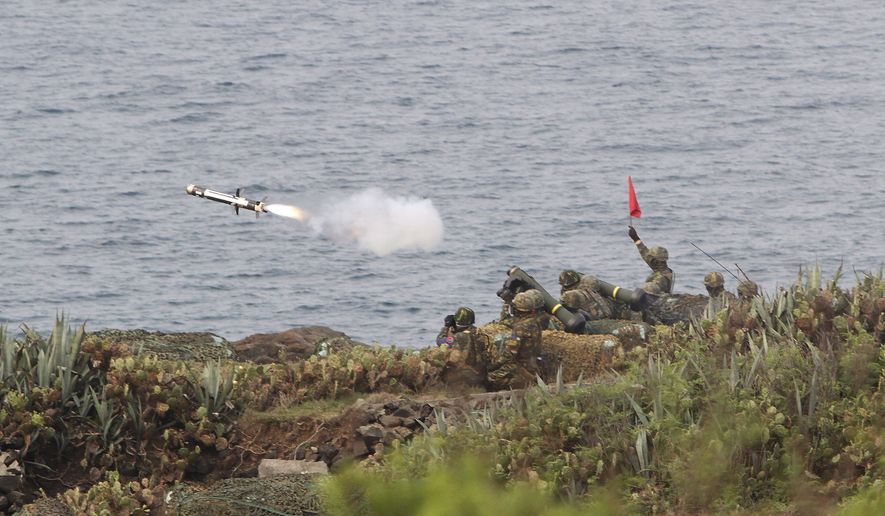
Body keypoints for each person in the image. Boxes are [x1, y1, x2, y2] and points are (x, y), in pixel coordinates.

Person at [487, 290, 544, 390]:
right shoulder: (535, 323)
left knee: (490, 377)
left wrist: (493, 366)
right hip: (533, 366)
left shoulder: (520, 327)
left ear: (516, 310)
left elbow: (510, 354)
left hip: (521, 367)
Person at [437, 307, 491, 386]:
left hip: (467, 377)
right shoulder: (478, 333)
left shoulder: (460, 336)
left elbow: (440, 341)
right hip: (481, 374)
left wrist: (446, 326)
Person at [627, 226, 674, 295]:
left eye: (652, 258)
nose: (649, 259)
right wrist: (636, 238)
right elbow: (645, 253)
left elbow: (650, 290)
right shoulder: (663, 270)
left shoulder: (661, 279)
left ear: (655, 261)